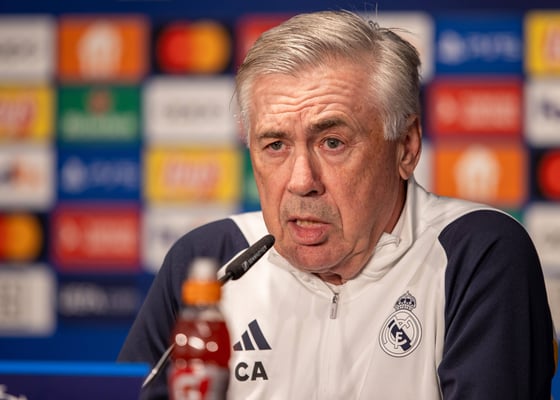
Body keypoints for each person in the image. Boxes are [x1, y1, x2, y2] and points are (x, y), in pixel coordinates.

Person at [119, 10, 557, 399]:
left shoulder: (476, 253)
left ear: (405, 147)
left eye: (332, 142)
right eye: (275, 145)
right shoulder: (211, 261)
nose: (301, 181)